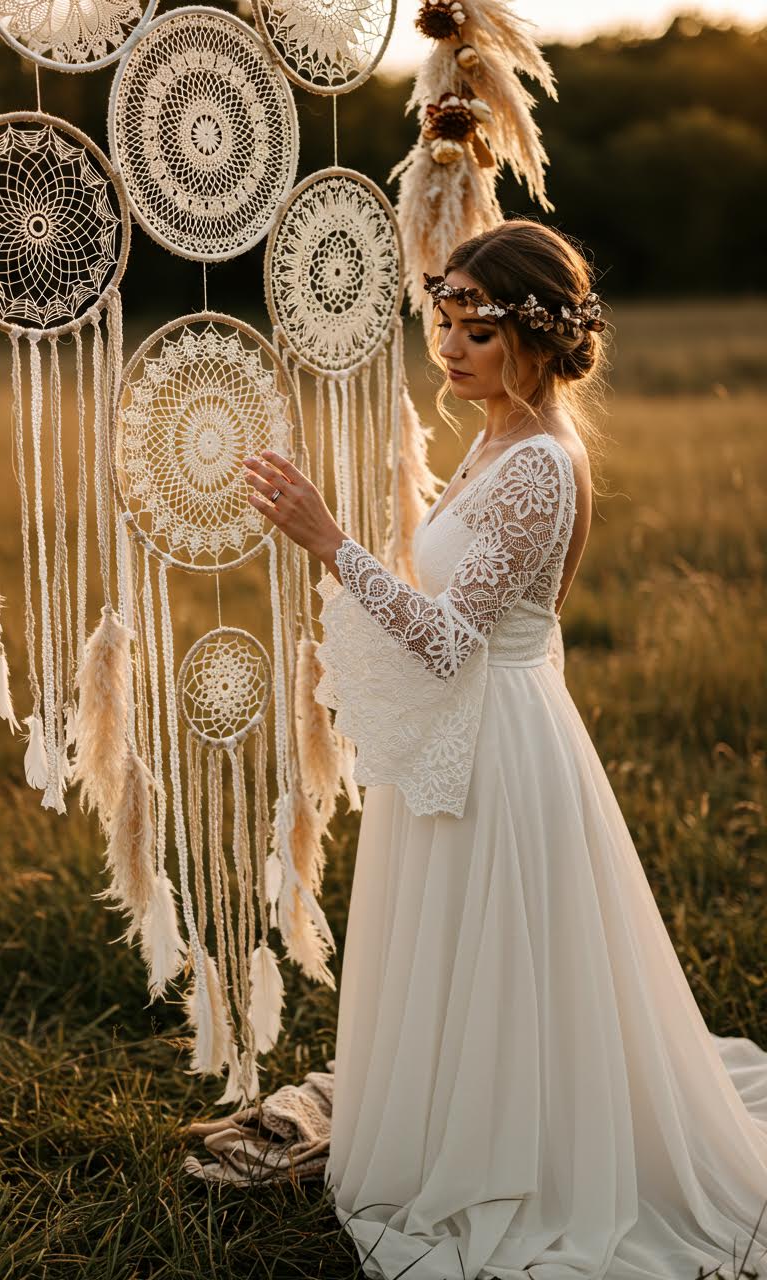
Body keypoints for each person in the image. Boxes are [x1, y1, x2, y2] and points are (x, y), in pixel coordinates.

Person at [241, 219, 767, 1279]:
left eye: (475, 328)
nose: (448, 346)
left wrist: (327, 540)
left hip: (497, 746)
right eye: (442, 320)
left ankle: (507, 1151)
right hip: (476, 730)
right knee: (463, 951)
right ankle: (458, 1112)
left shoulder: (535, 465)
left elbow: (443, 639)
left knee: (502, 952)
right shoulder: (491, 437)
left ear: (533, 336)